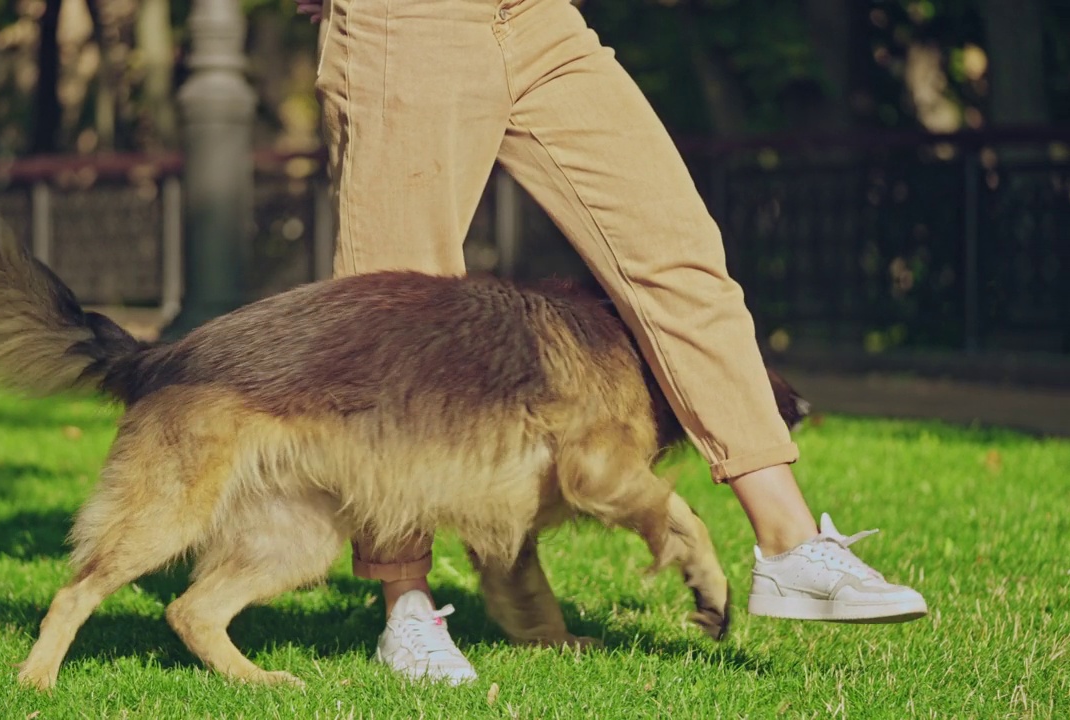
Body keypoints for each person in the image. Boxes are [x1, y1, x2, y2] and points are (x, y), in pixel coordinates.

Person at [294, 0, 928, 685]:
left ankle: (792, 545)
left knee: (674, 250)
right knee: (400, 314)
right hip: (411, 19)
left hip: (539, 17)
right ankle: (406, 602)